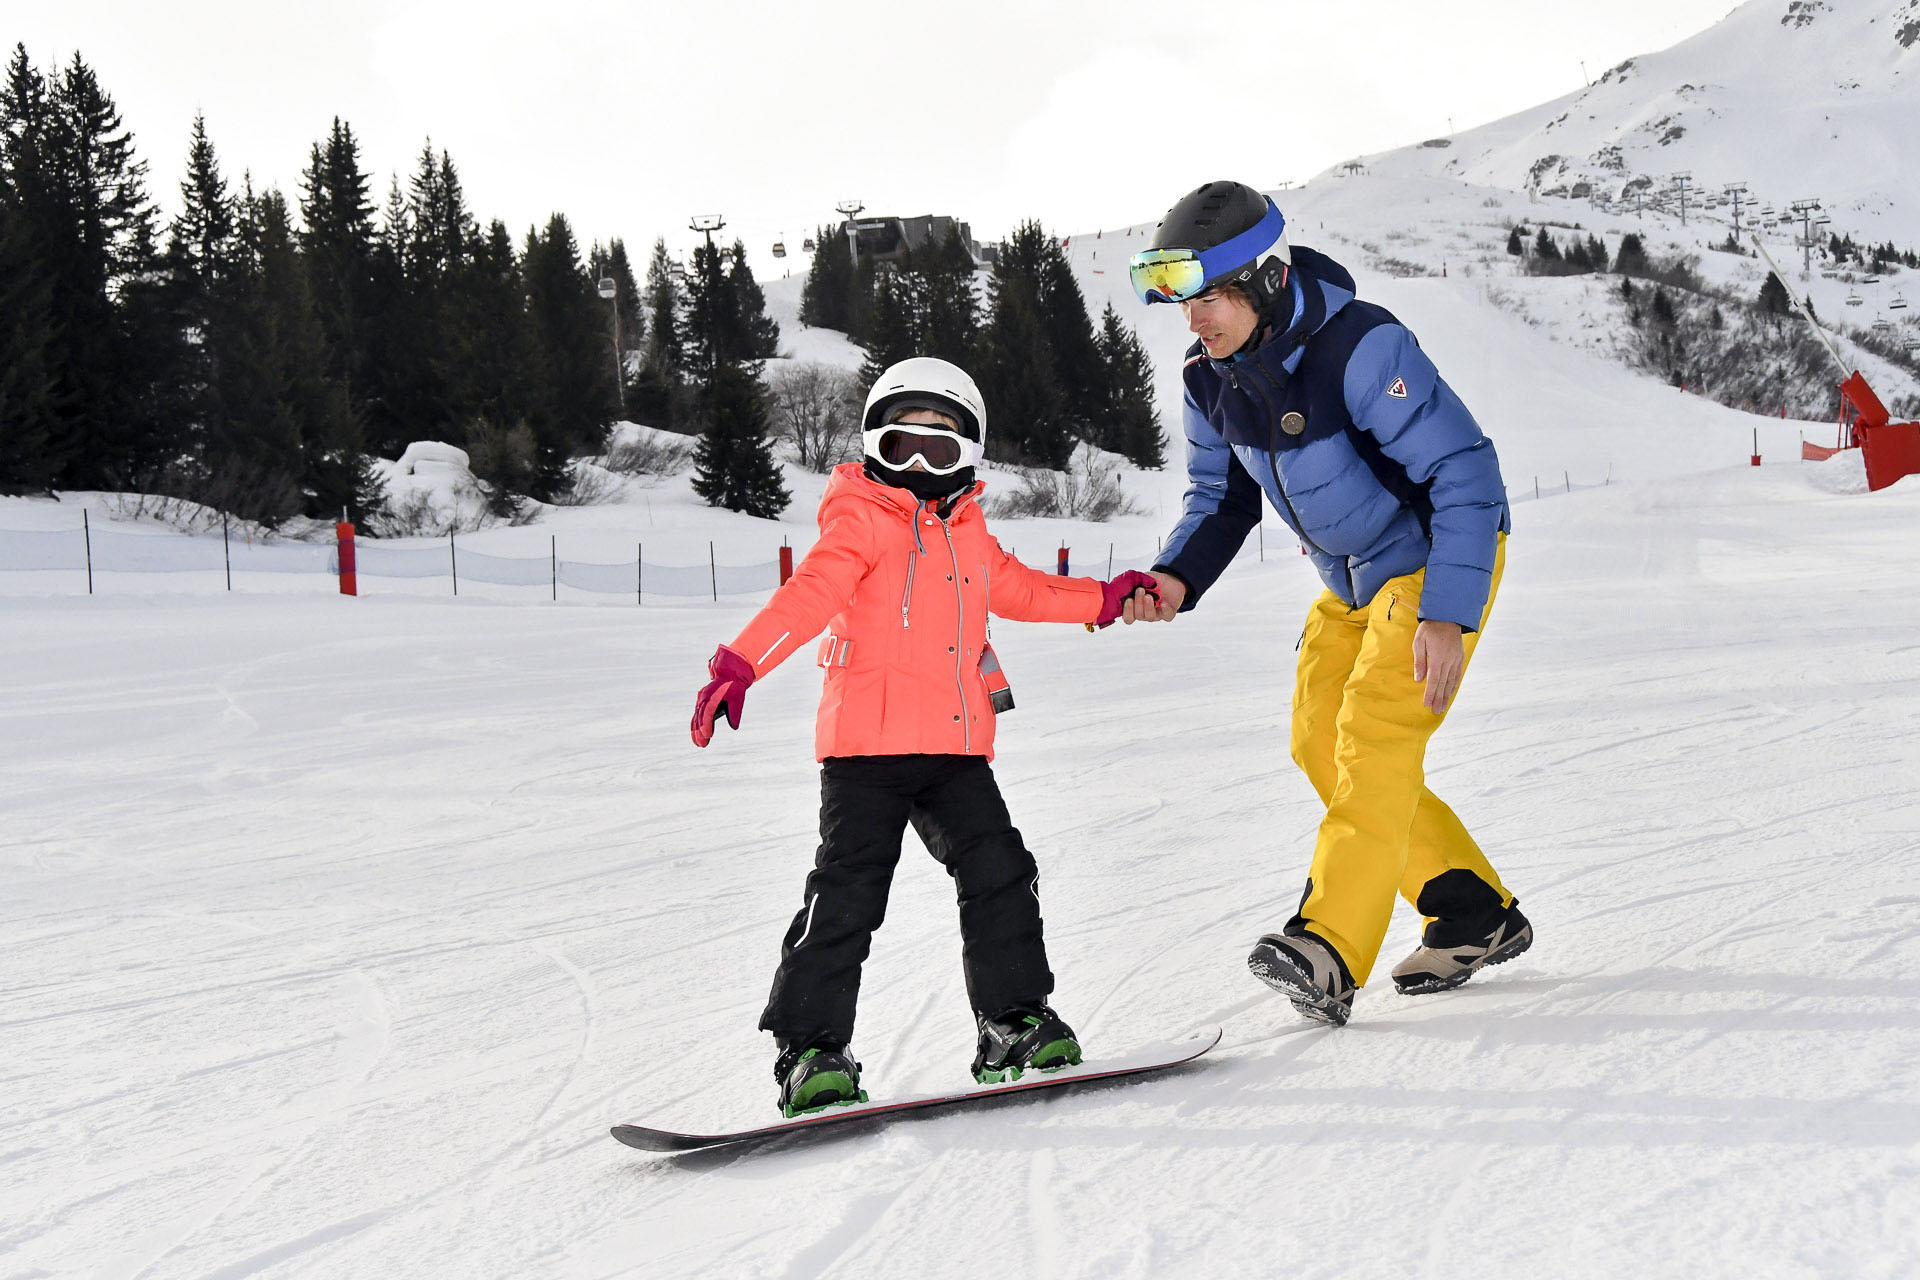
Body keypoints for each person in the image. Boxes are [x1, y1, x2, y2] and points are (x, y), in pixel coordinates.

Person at [690, 356, 1160, 1114]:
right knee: (845, 895)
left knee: (1002, 871)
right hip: (863, 753)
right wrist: (742, 662)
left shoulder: (970, 535)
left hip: (953, 750)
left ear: (968, 457)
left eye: (939, 451)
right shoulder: (858, 521)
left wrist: (1105, 598)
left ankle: (1012, 1022)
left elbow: (1031, 592)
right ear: (873, 443)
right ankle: (810, 1050)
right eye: (901, 445)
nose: (916, 464)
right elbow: (808, 596)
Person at [1119, 180, 1531, 1026]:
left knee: (1373, 736)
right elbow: (1217, 499)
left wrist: (1447, 615)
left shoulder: (1361, 348)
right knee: (1318, 740)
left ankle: (1329, 945)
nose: (1195, 319)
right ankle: (1472, 910)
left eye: (1213, 296)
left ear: (1266, 281)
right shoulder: (1211, 381)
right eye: (1183, 301)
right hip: (1351, 579)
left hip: (1435, 559)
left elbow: (1468, 473)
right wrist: (1174, 578)